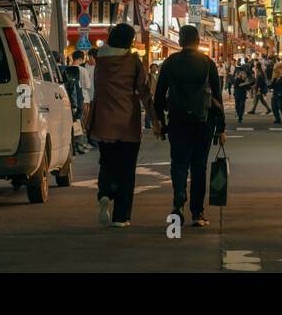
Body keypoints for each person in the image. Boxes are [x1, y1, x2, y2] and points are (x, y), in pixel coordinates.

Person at [152, 24, 226, 228]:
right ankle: (197, 213)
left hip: (177, 119)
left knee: (179, 162)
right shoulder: (207, 63)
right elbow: (217, 97)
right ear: (197, 41)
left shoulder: (170, 62)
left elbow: (158, 96)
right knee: (199, 166)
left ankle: (179, 195)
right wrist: (220, 127)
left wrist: (160, 121)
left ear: (180, 41)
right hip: (203, 121)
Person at [88, 24, 152, 228]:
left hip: (104, 121)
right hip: (127, 122)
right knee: (127, 170)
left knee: (107, 162)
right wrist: (156, 120)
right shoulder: (133, 61)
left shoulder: (101, 61)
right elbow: (144, 91)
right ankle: (121, 216)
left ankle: (105, 192)